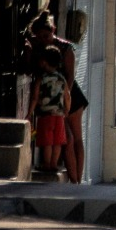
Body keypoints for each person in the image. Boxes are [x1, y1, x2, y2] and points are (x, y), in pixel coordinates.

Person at [23, 13, 87, 183]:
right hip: (50, 102)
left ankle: (77, 180)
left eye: (46, 35)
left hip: (69, 96)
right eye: (39, 37)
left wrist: (64, 103)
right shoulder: (36, 47)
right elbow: (29, 70)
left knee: (75, 137)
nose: (44, 39)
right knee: (67, 139)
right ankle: (74, 180)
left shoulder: (65, 49)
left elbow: (70, 78)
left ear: (53, 30)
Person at [27, 45, 71, 176]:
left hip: (45, 116)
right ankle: (54, 164)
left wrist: (29, 113)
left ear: (44, 62)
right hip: (59, 115)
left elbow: (35, 97)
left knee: (47, 142)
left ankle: (46, 164)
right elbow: (67, 96)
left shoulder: (41, 78)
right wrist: (66, 110)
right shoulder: (62, 78)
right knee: (57, 141)